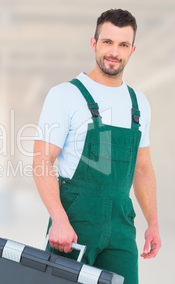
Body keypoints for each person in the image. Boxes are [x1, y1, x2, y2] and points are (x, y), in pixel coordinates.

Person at [32, 9, 161, 284]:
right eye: (107, 42)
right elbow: (42, 161)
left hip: (121, 225)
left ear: (132, 50)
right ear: (94, 43)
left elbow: (143, 169)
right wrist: (58, 219)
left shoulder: (139, 103)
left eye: (123, 44)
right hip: (76, 222)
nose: (114, 52)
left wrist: (153, 223)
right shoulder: (65, 95)